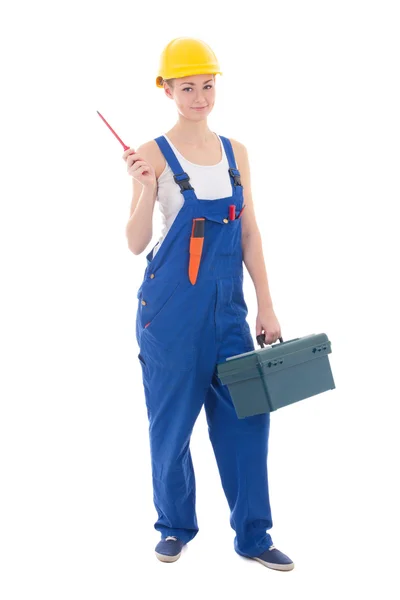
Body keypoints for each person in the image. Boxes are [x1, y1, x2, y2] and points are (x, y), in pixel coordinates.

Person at [123, 37, 294, 571]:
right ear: (168, 90)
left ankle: (254, 535)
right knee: (171, 425)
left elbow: (250, 234)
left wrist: (266, 305)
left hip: (229, 311)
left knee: (249, 419)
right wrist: (145, 189)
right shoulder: (150, 154)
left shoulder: (236, 152)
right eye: (188, 86)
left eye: (208, 84)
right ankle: (174, 527)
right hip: (171, 313)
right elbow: (133, 242)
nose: (200, 96)